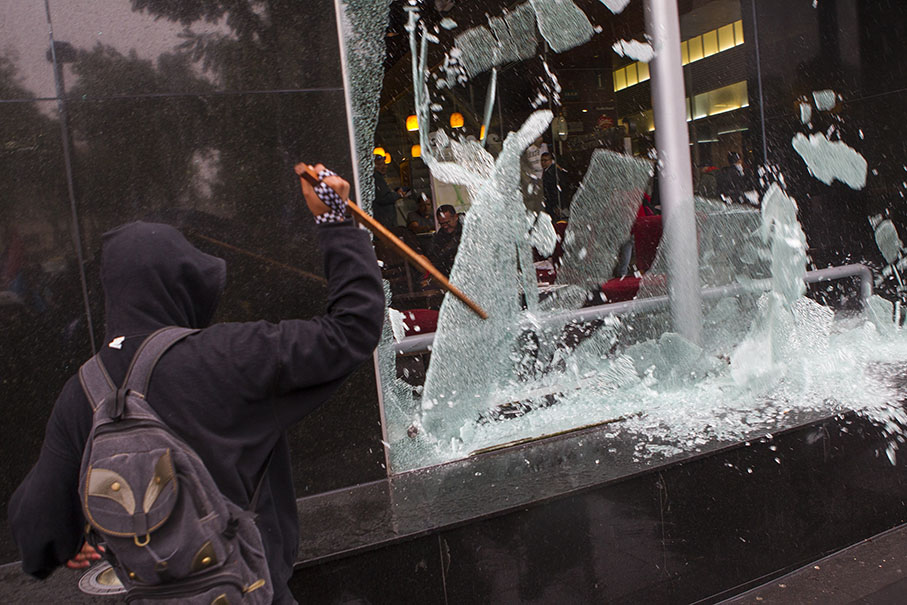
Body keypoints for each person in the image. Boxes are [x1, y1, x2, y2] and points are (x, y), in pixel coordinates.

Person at [7, 165, 385, 604]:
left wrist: (75, 536)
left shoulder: (83, 391)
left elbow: (36, 533)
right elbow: (352, 328)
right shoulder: (228, 354)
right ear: (185, 284)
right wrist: (335, 221)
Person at [427, 204, 462, 278]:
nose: (445, 226)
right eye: (441, 224)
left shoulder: (467, 229)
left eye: (447, 222)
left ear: (456, 217)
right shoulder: (440, 235)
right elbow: (434, 256)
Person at [373, 154, 406, 228]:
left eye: (384, 164)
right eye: (380, 164)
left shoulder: (378, 178)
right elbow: (383, 198)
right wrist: (398, 194)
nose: (384, 166)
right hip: (385, 222)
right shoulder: (377, 178)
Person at [540, 152, 570, 220]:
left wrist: (557, 205)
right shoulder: (547, 171)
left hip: (557, 203)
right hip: (553, 202)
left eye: (545, 160)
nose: (543, 162)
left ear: (550, 160)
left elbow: (555, 189)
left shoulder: (552, 172)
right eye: (542, 160)